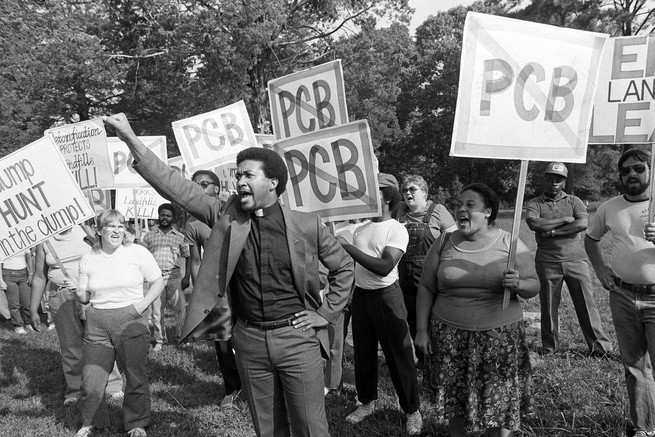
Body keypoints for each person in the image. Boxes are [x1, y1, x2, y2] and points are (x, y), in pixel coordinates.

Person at [103, 113, 354, 437]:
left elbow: (345, 267)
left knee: (311, 428)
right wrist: (129, 137)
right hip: (249, 340)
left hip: (297, 340)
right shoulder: (226, 216)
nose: (239, 182)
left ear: (273, 182)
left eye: (248, 175)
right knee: (267, 428)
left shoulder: (306, 225)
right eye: (238, 175)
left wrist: (325, 313)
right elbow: (177, 186)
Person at [415, 183, 539, 437]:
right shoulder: (444, 242)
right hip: (450, 338)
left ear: (488, 212)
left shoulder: (510, 243)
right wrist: (421, 331)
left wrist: (519, 283)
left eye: (470, 205)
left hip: (499, 339)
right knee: (455, 401)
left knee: (499, 400)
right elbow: (426, 287)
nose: (461, 209)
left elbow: (533, 286)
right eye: (459, 204)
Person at [338, 173, 423, 435]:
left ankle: (411, 410)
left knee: (399, 355)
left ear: (386, 197)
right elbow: (327, 235)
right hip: (362, 297)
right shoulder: (359, 228)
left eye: (372, 192)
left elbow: (385, 267)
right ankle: (366, 401)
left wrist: (349, 248)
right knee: (363, 353)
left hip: (387, 297)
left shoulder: (396, 229)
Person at [69, 209, 164, 437]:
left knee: (134, 374)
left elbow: (157, 281)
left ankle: (137, 423)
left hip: (131, 319)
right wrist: (78, 292)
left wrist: (139, 308)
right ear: (99, 231)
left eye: (121, 226)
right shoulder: (88, 258)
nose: (117, 230)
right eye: (110, 226)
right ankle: (92, 422)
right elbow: (86, 297)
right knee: (92, 377)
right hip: (97, 322)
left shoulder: (137, 252)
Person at [585, 148, 655, 437]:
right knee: (635, 366)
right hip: (623, 296)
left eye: (638, 168)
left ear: (651, 170)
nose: (632, 174)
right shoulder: (609, 207)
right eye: (625, 170)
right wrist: (601, 269)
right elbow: (591, 239)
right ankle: (644, 427)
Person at [30, 225, 124, 406]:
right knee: (70, 344)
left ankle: (112, 386)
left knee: (101, 340)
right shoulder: (44, 240)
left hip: (90, 292)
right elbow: (40, 277)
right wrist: (34, 309)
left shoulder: (85, 229)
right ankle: (75, 390)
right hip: (60, 296)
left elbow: (106, 257)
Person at [526, 162, 612, 356]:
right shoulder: (535, 203)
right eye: (550, 179)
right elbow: (534, 223)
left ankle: (600, 347)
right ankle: (550, 347)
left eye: (558, 180)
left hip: (576, 260)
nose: (554, 183)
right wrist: (565, 220)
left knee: (587, 304)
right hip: (547, 261)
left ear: (564, 182)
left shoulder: (574, 201)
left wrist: (553, 231)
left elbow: (582, 223)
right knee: (548, 306)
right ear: (545, 180)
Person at [183, 169, 242, 407]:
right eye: (194, 184)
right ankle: (233, 388)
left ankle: (262, 386)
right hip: (218, 289)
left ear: (216, 189)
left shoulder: (234, 212)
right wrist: (201, 293)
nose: (198, 188)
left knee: (251, 336)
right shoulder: (192, 224)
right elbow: (196, 261)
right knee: (223, 340)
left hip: (245, 285)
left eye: (204, 184)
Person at [396, 174, 456, 366]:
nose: (407, 193)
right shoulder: (399, 213)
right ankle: (424, 362)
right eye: (404, 190)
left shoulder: (437, 211)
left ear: (424, 192)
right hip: (406, 279)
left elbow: (453, 241)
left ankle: (444, 363)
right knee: (414, 321)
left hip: (433, 278)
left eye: (412, 189)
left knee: (437, 321)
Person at [141, 203, 189, 351]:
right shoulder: (149, 236)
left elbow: (187, 256)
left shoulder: (180, 237)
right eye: (162, 215)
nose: (165, 218)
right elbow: (142, 256)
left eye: (168, 216)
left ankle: (182, 337)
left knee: (180, 309)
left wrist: (186, 277)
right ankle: (160, 340)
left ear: (172, 218)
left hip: (174, 277)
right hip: (156, 279)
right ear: (158, 216)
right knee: (157, 312)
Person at [1, 249, 34, 334]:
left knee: (27, 302)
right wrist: (1, 280)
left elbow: (29, 257)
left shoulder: (21, 239)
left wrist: (31, 273)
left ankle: (29, 323)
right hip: (8, 274)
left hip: (24, 273)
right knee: (14, 303)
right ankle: (18, 326)